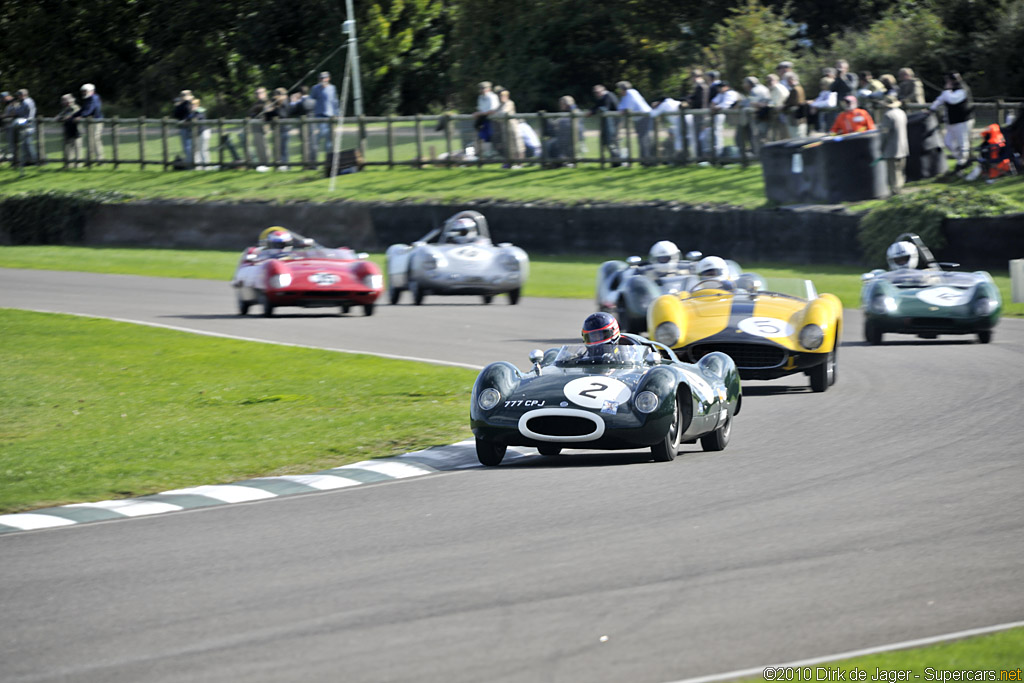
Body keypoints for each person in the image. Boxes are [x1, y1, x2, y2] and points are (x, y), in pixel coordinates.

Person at [929, 72, 974, 174]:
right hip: (951, 121)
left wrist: (946, 91)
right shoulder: (949, 92)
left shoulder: (962, 89)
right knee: (948, 142)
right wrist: (931, 109)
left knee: (963, 143)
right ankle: (961, 159)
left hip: (962, 121)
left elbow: (952, 100)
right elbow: (940, 100)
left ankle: (962, 163)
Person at [877, 95, 909, 195]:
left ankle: (895, 192)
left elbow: (885, 134)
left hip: (892, 149)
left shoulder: (888, 115)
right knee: (901, 171)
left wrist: (881, 147)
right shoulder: (902, 113)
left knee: (893, 173)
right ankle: (900, 189)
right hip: (903, 147)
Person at [616, 80, 653, 163]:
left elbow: (626, 108)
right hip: (640, 118)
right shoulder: (627, 95)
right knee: (642, 139)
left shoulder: (630, 93)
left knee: (644, 139)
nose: (619, 91)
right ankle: (644, 159)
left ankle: (646, 160)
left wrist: (622, 111)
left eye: (619, 89)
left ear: (622, 89)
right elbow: (620, 108)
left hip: (644, 117)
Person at [588, 84, 621, 166]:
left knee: (612, 141)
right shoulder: (602, 98)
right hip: (610, 123)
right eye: (595, 93)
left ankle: (617, 162)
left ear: (603, 90)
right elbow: (597, 106)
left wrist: (593, 111)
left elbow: (605, 108)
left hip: (614, 122)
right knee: (608, 141)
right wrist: (591, 111)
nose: (596, 94)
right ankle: (615, 162)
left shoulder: (608, 96)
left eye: (598, 92)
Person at [739, 76, 771, 155]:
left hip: (760, 116)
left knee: (758, 137)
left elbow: (751, 103)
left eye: (744, 83)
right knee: (763, 136)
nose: (743, 85)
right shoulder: (763, 88)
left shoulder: (755, 90)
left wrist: (740, 104)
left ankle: (759, 156)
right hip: (765, 115)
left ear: (750, 83)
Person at [310, 71, 339, 158]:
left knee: (329, 139)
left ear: (328, 78)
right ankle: (313, 159)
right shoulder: (315, 88)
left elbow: (335, 101)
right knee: (319, 136)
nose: (323, 80)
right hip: (319, 115)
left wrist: (337, 113)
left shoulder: (332, 88)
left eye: (325, 78)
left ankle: (328, 159)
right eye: (321, 78)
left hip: (330, 116)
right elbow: (311, 100)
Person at [73, 83, 103, 163]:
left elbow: (89, 110)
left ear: (91, 91)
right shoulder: (89, 98)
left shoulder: (93, 98)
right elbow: (83, 109)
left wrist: (81, 116)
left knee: (94, 140)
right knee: (92, 140)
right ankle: (92, 159)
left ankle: (97, 159)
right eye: (82, 91)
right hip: (91, 122)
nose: (83, 93)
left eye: (85, 91)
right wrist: (74, 116)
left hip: (95, 122)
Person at [684, 69, 711, 156]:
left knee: (699, 136)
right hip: (702, 113)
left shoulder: (700, 87)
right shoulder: (703, 86)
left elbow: (699, 102)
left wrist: (689, 101)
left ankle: (700, 157)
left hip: (700, 114)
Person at [709, 80, 740, 156]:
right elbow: (713, 102)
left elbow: (726, 105)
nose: (718, 89)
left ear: (726, 87)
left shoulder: (731, 93)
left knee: (741, 136)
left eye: (721, 87)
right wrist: (714, 106)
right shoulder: (721, 94)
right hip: (732, 118)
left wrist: (715, 107)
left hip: (740, 117)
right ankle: (719, 152)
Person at [246, 86, 271, 169]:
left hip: (262, 127)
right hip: (255, 127)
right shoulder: (256, 103)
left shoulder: (267, 102)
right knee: (258, 146)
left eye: (260, 93)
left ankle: (266, 163)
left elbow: (268, 113)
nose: (258, 95)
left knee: (263, 145)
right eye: (257, 93)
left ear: (264, 93)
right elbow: (250, 113)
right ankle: (262, 162)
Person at [473, 81, 500, 158]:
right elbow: (481, 109)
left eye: (483, 88)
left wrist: (480, 114)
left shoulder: (492, 97)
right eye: (480, 88)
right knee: (483, 136)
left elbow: (492, 111)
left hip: (493, 120)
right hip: (484, 119)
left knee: (492, 136)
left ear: (488, 89)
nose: (481, 90)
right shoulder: (480, 97)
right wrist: (478, 113)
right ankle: (485, 154)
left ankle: (494, 153)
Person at [12, 89, 38, 165]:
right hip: (23, 124)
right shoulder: (22, 102)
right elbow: (18, 112)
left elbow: (31, 115)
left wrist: (27, 122)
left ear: (23, 95)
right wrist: (15, 107)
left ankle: (34, 160)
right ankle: (27, 160)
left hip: (28, 125)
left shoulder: (28, 102)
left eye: (19, 95)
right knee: (24, 144)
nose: (18, 96)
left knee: (28, 143)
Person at [56, 93, 81, 168]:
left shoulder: (75, 107)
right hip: (67, 130)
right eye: (62, 100)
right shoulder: (65, 109)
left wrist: (65, 118)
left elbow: (73, 116)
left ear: (70, 100)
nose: (62, 102)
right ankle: (67, 164)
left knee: (77, 148)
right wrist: (61, 118)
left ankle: (78, 164)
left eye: (64, 100)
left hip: (76, 130)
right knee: (67, 148)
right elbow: (58, 117)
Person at [172, 90, 195, 166]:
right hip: (184, 127)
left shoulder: (187, 103)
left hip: (187, 127)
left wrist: (178, 106)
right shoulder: (183, 104)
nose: (182, 97)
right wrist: (178, 105)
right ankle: (189, 162)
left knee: (188, 146)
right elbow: (176, 114)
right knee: (187, 146)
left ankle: (190, 163)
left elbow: (188, 114)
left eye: (183, 95)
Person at [783, 73, 807, 139]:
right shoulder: (800, 88)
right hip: (801, 116)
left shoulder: (794, 89)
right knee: (801, 134)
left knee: (796, 136)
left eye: (789, 80)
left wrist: (783, 107)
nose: (788, 82)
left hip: (795, 117)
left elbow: (791, 102)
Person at [766, 73, 789, 141]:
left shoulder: (777, 87)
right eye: (767, 81)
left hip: (781, 113)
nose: (769, 82)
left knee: (781, 134)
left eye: (770, 80)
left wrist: (766, 105)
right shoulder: (773, 88)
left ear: (776, 80)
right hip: (777, 113)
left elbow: (776, 102)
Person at [191, 97, 212, 167]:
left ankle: (206, 165)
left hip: (204, 132)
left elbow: (199, 117)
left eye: (193, 104)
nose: (192, 106)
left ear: (197, 105)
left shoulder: (200, 110)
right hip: (198, 133)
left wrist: (194, 111)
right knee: (198, 150)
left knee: (203, 149)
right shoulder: (194, 112)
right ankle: (200, 165)